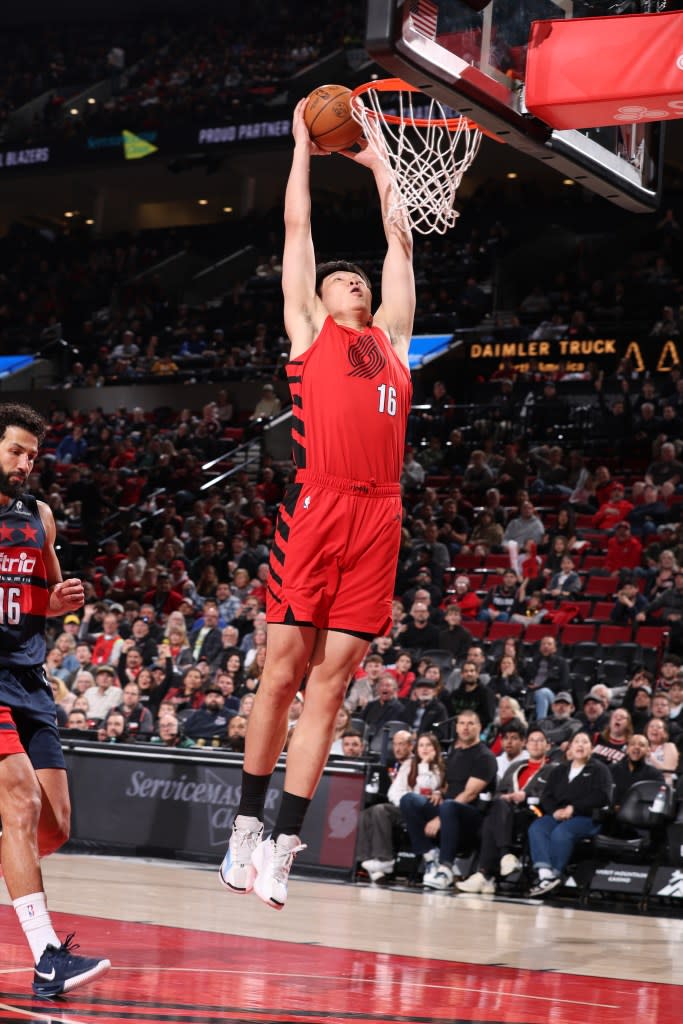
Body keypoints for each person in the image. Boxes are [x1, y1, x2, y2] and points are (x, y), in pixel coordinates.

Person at [219, 96, 415, 911]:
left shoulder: (394, 343)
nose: (353, 279)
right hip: (319, 505)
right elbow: (297, 233)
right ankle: (242, 826)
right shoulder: (309, 332)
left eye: (358, 277)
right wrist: (302, 143)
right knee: (282, 673)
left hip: (381, 515)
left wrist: (372, 161)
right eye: (344, 277)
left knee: (332, 687)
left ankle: (283, 843)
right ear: (323, 296)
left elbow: (398, 236)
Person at [0, 403, 110, 995]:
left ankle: (19, 890)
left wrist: (65, 597)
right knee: (18, 804)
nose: (25, 464)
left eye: (32, 456)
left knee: (54, 824)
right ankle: (47, 956)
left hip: (29, 679)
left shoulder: (37, 514)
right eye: (15, 451)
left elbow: (47, 594)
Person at [400, 710, 497, 891]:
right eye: (461, 723)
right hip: (448, 809)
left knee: (450, 806)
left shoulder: (485, 757)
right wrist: (438, 792)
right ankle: (430, 856)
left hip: (471, 818)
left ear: (479, 727)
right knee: (409, 800)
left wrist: (440, 818)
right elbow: (447, 785)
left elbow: (469, 794)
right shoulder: (455, 752)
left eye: (470, 724)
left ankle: (445, 869)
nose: (465, 728)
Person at [456, 727, 555, 894]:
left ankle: (486, 874)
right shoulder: (516, 766)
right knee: (496, 809)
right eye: (532, 740)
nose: (536, 744)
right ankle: (501, 861)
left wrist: (525, 795)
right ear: (526, 744)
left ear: (548, 746)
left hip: (531, 813)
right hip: (506, 813)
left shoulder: (553, 769)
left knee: (493, 817)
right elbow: (500, 791)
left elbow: (551, 795)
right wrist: (506, 797)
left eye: (540, 741)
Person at [527, 730, 613, 896]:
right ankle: (545, 874)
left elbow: (602, 796)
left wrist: (574, 808)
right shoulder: (560, 770)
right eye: (577, 742)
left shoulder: (600, 770)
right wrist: (555, 811)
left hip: (586, 817)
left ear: (591, 748)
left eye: (585, 742)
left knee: (562, 832)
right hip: (559, 815)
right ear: (570, 747)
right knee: (538, 827)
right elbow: (547, 795)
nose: (580, 745)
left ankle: (555, 874)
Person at [357, 729, 419, 881]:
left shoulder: (415, 763)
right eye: (395, 744)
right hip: (396, 805)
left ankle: (383, 859)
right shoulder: (396, 765)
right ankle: (366, 861)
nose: (397, 748)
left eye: (402, 744)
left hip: (410, 808)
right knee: (366, 813)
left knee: (380, 810)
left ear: (411, 746)